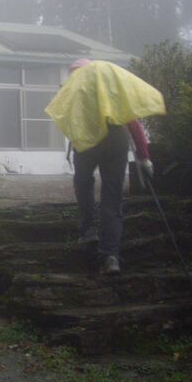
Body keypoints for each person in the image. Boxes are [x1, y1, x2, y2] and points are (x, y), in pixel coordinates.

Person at [68, 59, 153, 275]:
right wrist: (143, 157)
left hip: (87, 139)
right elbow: (133, 123)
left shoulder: (73, 92)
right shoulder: (113, 91)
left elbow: (67, 120)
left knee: (84, 181)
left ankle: (88, 229)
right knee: (112, 197)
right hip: (116, 137)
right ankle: (110, 256)